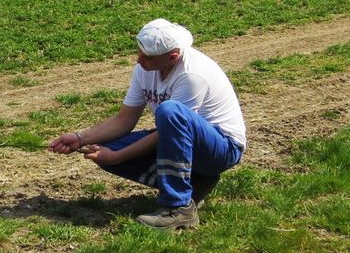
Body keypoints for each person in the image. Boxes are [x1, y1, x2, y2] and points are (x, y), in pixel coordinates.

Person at [47, 18, 245, 230]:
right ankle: (195, 182)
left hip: (222, 149)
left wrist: (118, 157)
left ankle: (178, 208)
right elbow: (124, 120)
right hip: (183, 141)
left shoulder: (192, 74)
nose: (139, 59)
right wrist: (79, 138)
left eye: (147, 57)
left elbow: (170, 128)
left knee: (170, 111)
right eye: (139, 52)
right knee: (105, 149)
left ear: (172, 57)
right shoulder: (145, 69)